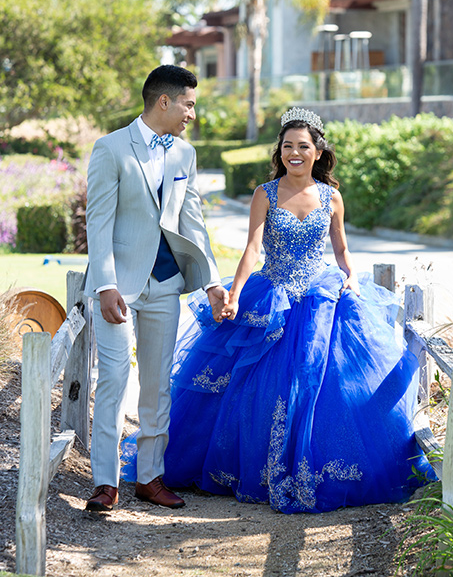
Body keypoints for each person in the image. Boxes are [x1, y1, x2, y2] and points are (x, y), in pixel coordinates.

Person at [122, 107, 435, 513]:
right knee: (255, 387)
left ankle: (314, 467)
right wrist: (234, 293)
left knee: (319, 384)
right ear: (280, 151)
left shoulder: (331, 197)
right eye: (288, 146)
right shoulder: (265, 194)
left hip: (321, 299)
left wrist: (351, 278)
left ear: (318, 152)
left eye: (303, 146)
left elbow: (340, 249)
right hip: (271, 296)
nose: (295, 153)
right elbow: (252, 249)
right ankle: (255, 468)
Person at [83, 64, 228, 512]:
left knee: (157, 385)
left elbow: (193, 221)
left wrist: (211, 282)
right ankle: (105, 483)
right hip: (118, 289)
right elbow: (99, 223)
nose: (192, 115)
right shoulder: (110, 149)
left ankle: (149, 477)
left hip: (166, 285)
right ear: (163, 101)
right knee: (113, 380)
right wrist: (106, 285)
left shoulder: (184, 155)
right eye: (189, 104)